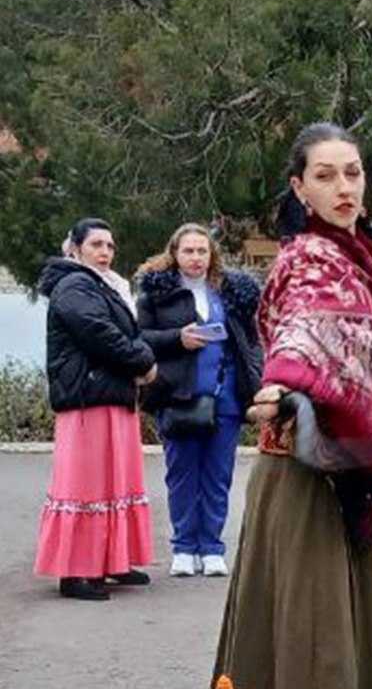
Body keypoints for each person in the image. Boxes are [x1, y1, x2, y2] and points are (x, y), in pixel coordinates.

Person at [210, 122, 372, 689]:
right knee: (313, 630)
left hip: (340, 470)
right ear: (299, 187)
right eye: (326, 175)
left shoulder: (351, 258)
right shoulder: (309, 257)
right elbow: (305, 329)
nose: (344, 188)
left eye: (353, 173)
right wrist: (287, 384)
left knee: (329, 624)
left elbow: (348, 314)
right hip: (305, 472)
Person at [34, 219, 157, 601]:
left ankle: (112, 559)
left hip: (109, 391)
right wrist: (143, 360)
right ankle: (76, 571)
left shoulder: (104, 285)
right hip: (87, 397)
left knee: (115, 481)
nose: (105, 252)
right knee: (86, 484)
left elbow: (124, 333)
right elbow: (100, 333)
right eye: (96, 244)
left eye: (110, 245)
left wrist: (138, 355)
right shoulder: (74, 284)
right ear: (75, 248)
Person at [136, 224, 263, 577]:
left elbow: (251, 342)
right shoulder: (157, 293)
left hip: (226, 398)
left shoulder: (232, 293)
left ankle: (211, 548)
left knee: (218, 476)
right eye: (188, 251)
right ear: (174, 254)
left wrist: (256, 379)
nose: (196, 258)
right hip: (178, 395)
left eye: (202, 251)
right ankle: (183, 547)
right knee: (182, 474)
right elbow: (139, 338)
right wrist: (177, 338)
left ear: (212, 255)